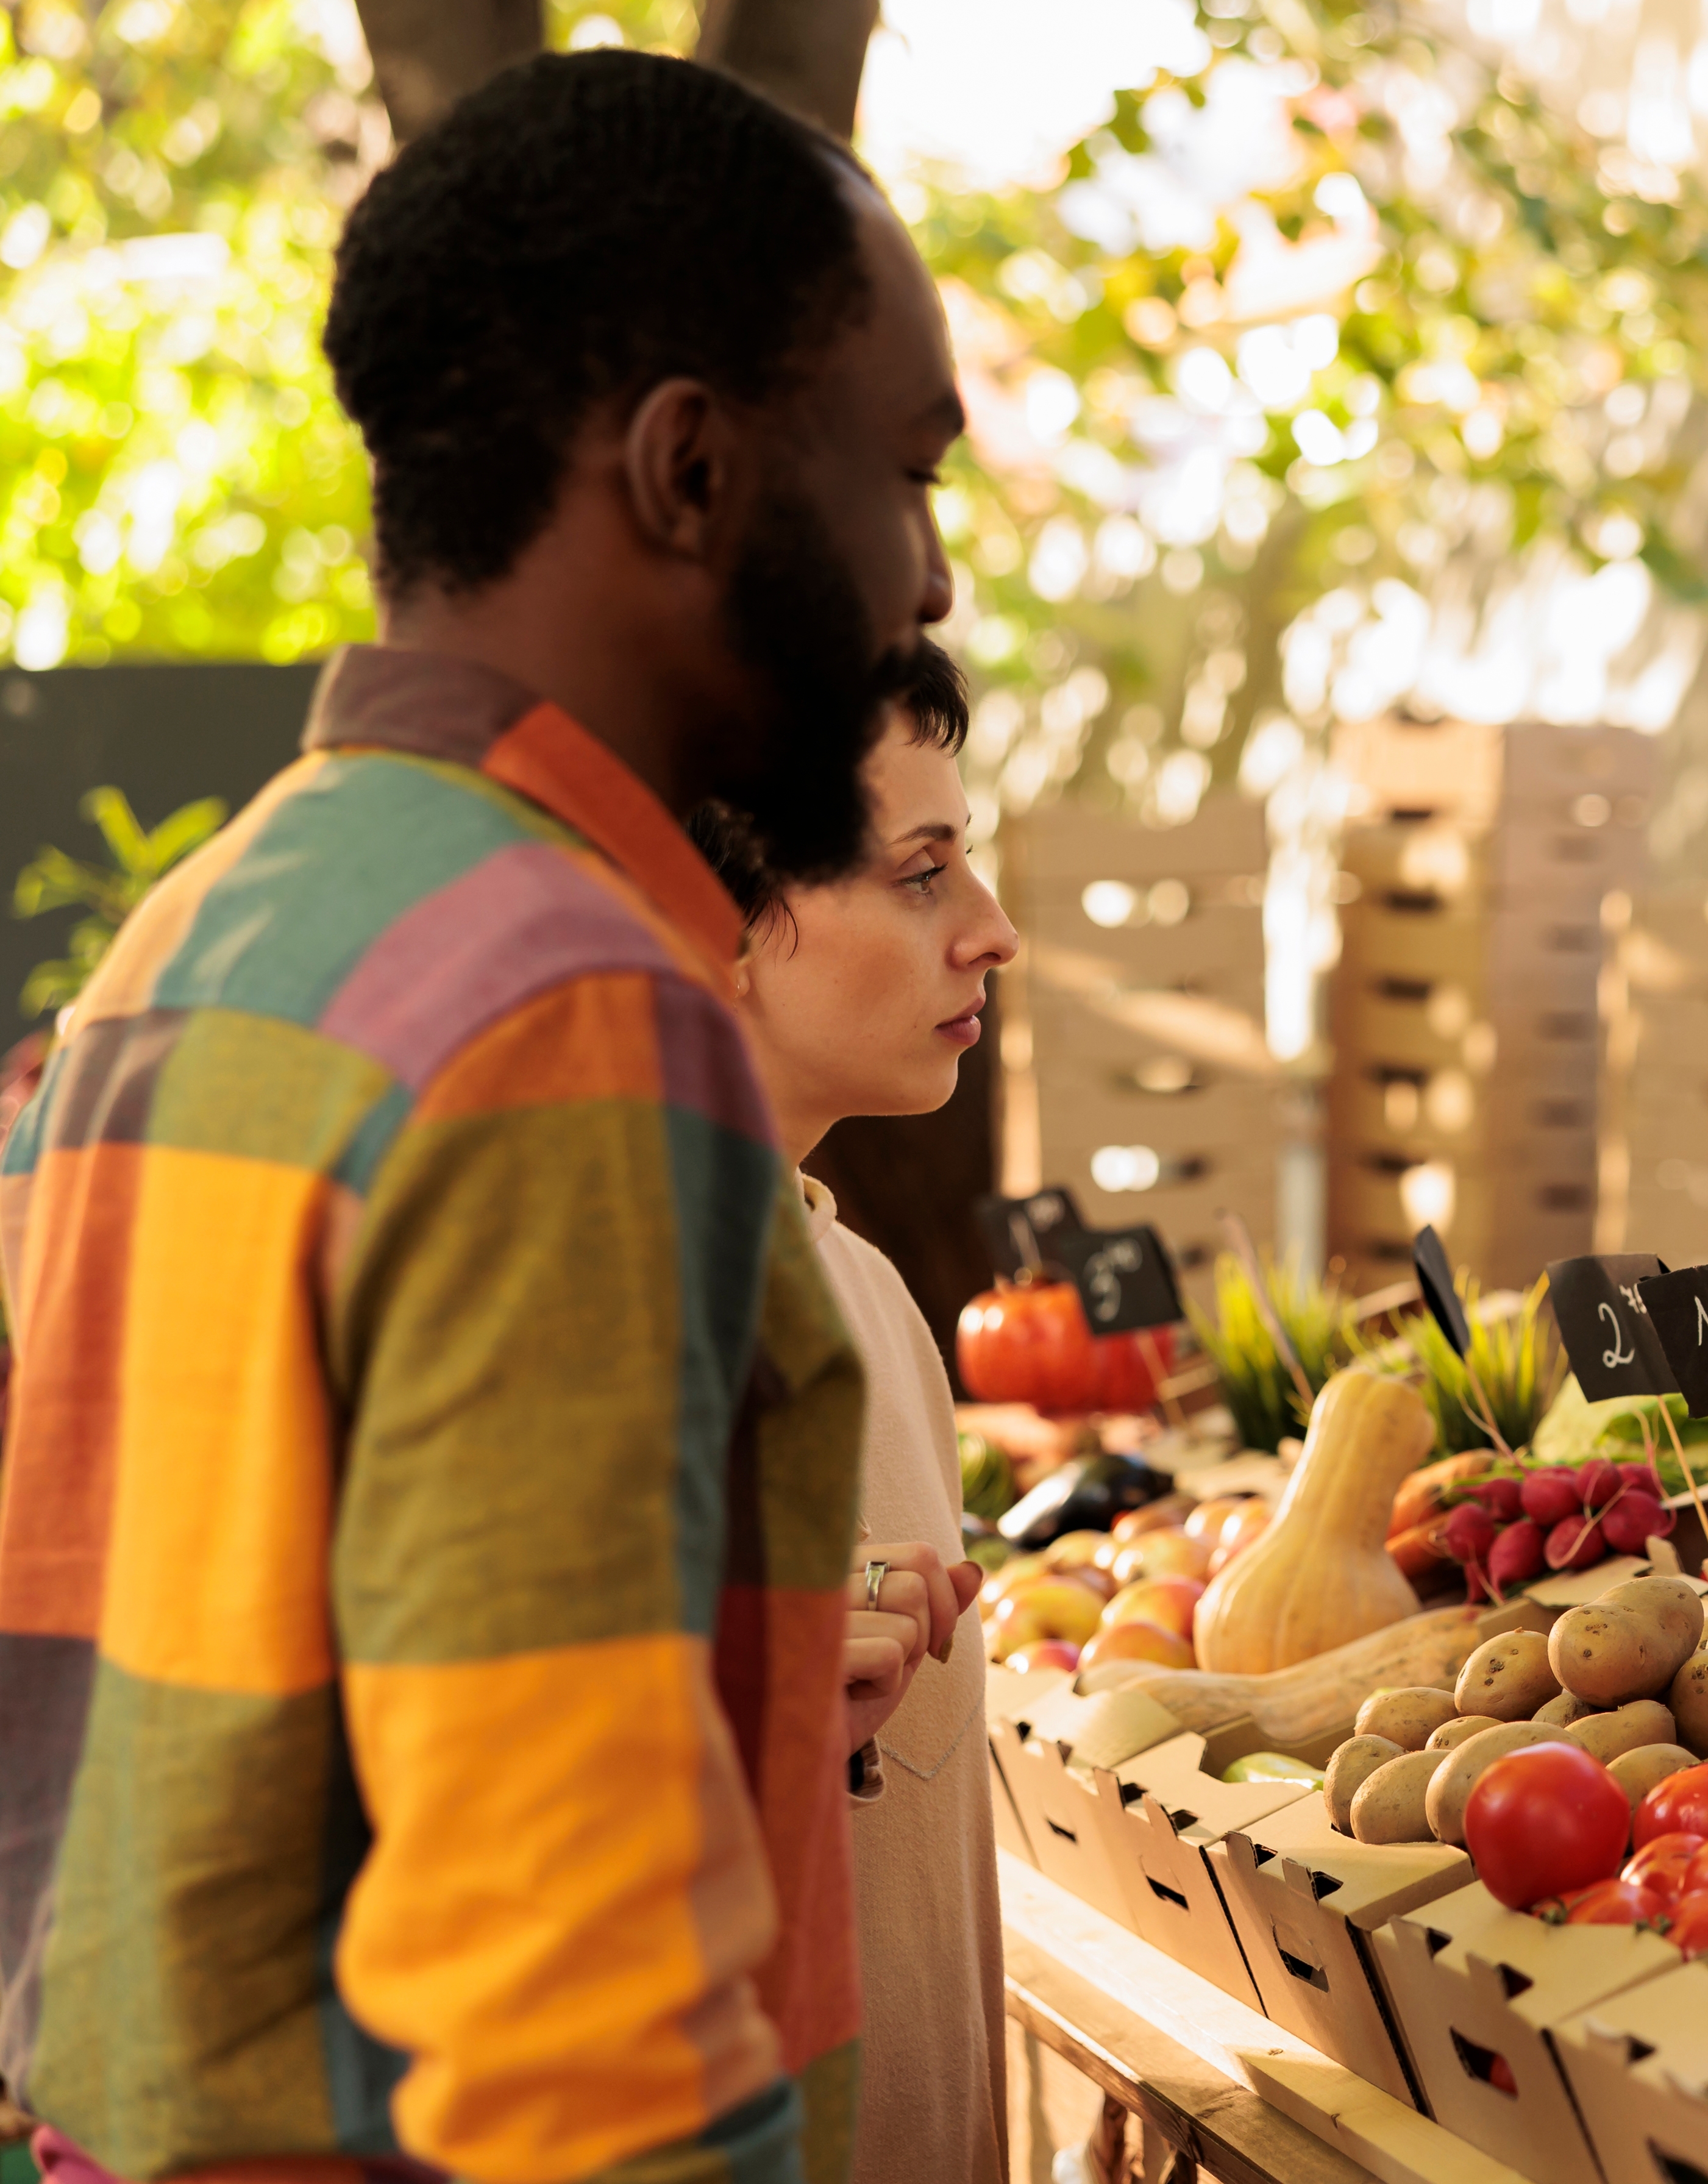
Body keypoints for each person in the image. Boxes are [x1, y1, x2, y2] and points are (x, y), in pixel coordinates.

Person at [0, 52, 967, 2184]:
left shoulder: (199, 935)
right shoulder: (569, 1018)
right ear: (692, 471)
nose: (928, 586)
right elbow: (575, 2028)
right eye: (905, 475)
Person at [691, 639, 1020, 2184]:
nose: (991, 932)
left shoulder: (874, 1296)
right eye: (921, 873)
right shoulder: (607, 1330)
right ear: (731, 926)